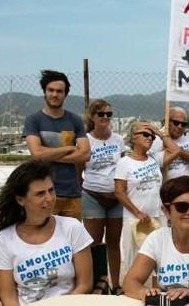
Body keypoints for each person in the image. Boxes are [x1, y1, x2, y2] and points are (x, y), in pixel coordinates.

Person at [0, 161, 93, 306]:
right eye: (40, 194)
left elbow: (85, 284)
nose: (49, 198)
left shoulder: (72, 227)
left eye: (51, 190)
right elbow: (8, 296)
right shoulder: (5, 239)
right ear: (20, 200)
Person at [122, 176, 189, 302]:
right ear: (166, 211)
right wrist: (144, 292)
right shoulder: (157, 239)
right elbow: (130, 281)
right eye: (182, 206)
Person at [22, 70, 91, 220]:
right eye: (51, 90)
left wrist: (49, 155)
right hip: (43, 193)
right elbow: (37, 154)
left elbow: (85, 154)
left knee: (72, 240)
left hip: (73, 193)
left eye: (59, 91)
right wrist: (70, 148)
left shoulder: (75, 120)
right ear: (44, 92)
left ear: (65, 94)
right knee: (45, 239)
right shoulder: (33, 120)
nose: (55, 94)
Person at [114, 120, 178, 267]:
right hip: (134, 219)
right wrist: (137, 212)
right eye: (145, 134)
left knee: (160, 259)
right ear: (133, 138)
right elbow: (119, 191)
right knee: (134, 261)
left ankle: (158, 289)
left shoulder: (154, 158)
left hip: (157, 216)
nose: (150, 138)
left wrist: (159, 133)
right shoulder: (125, 162)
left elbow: (176, 151)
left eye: (152, 136)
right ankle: (132, 289)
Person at [81, 99, 124, 291]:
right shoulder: (85, 140)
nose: (105, 118)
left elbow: (123, 167)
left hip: (115, 198)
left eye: (109, 114)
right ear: (92, 117)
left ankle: (116, 284)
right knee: (95, 245)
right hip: (93, 197)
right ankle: (97, 283)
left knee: (114, 243)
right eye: (101, 114)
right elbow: (78, 172)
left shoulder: (118, 140)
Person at [153, 106, 189, 180]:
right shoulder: (155, 140)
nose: (180, 126)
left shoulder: (186, 139)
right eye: (176, 123)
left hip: (183, 187)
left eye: (183, 124)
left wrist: (178, 151)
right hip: (165, 187)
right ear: (166, 122)